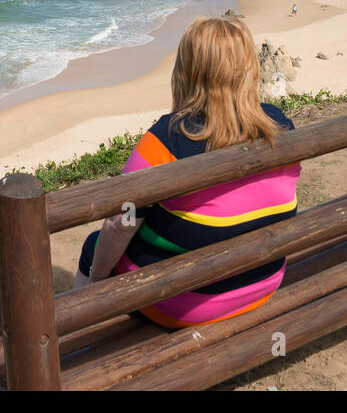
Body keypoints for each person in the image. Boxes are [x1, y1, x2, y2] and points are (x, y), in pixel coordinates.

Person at [72, 16, 297, 327]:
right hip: (263, 282)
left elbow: (119, 224)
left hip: (187, 304)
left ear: (187, 71)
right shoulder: (278, 124)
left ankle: (77, 339)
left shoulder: (166, 139)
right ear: (248, 68)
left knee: (94, 246)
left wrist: (99, 277)